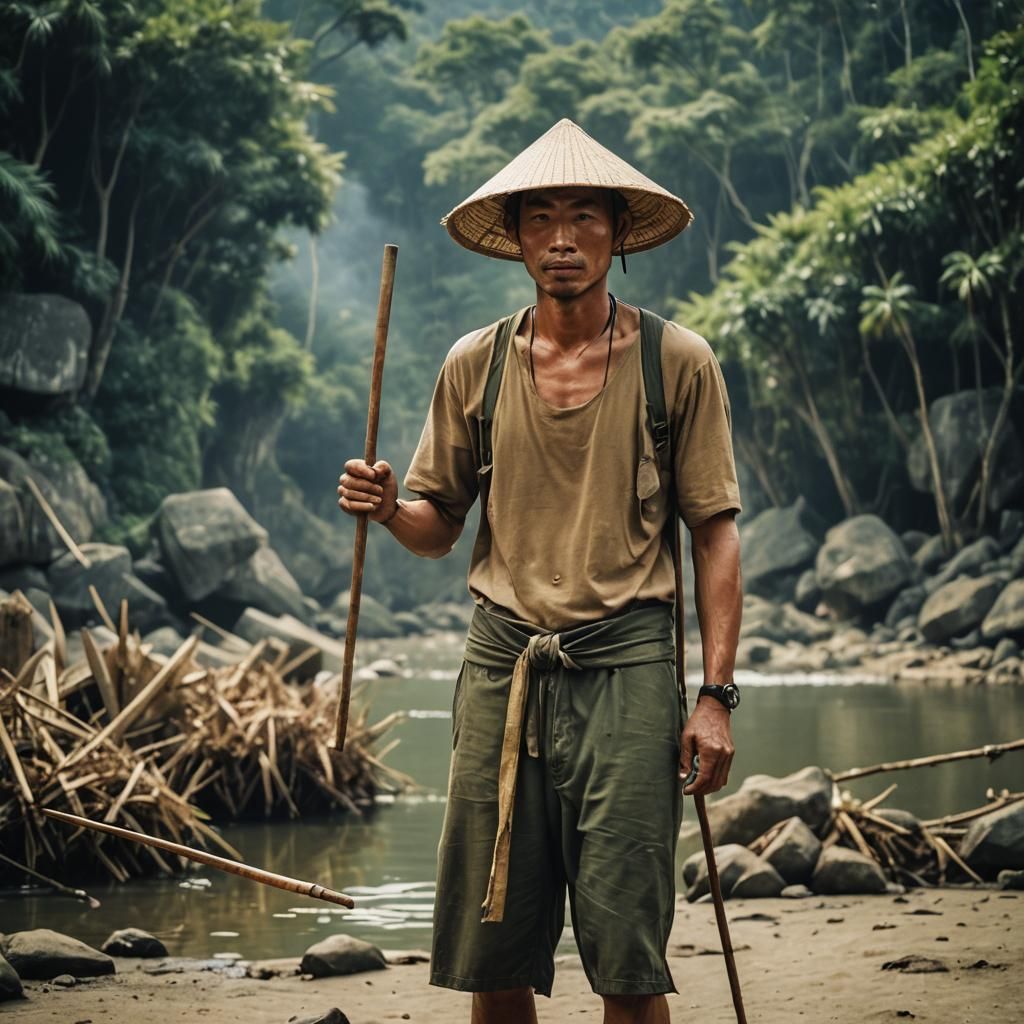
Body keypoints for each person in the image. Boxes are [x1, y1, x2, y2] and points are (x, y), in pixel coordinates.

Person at [338, 118, 743, 1024]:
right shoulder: (475, 365)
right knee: (493, 953)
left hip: (627, 672)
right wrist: (388, 506)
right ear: (517, 238)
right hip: (502, 670)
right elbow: (438, 527)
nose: (563, 238)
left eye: (584, 216)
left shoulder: (676, 363)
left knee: (628, 959)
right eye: (542, 219)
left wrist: (715, 697)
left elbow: (715, 535)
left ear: (619, 231)